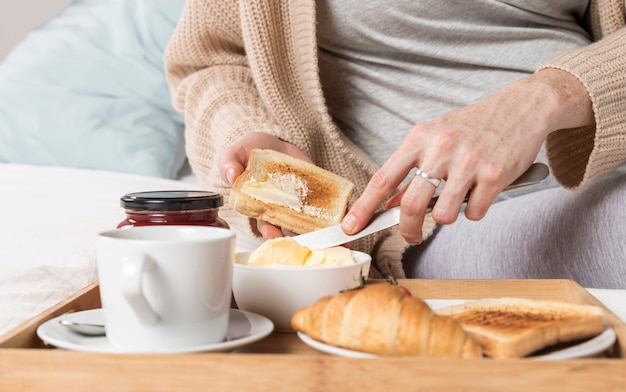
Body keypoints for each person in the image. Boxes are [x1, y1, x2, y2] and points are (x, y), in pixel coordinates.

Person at [165, 0, 626, 288]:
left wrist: (549, 96)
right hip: (422, 229)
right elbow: (211, 60)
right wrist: (246, 130)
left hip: (608, 173)